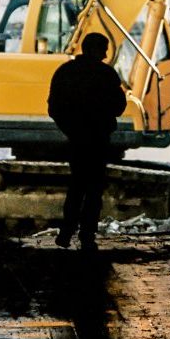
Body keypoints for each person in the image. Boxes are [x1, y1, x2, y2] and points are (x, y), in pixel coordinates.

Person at [47, 32, 127, 251]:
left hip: (76, 139)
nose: (107, 53)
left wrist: (71, 129)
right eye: (104, 48)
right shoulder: (107, 74)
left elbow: (54, 108)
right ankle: (87, 235)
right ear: (97, 50)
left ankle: (66, 232)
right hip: (99, 139)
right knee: (94, 189)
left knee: (77, 186)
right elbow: (120, 106)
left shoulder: (65, 72)